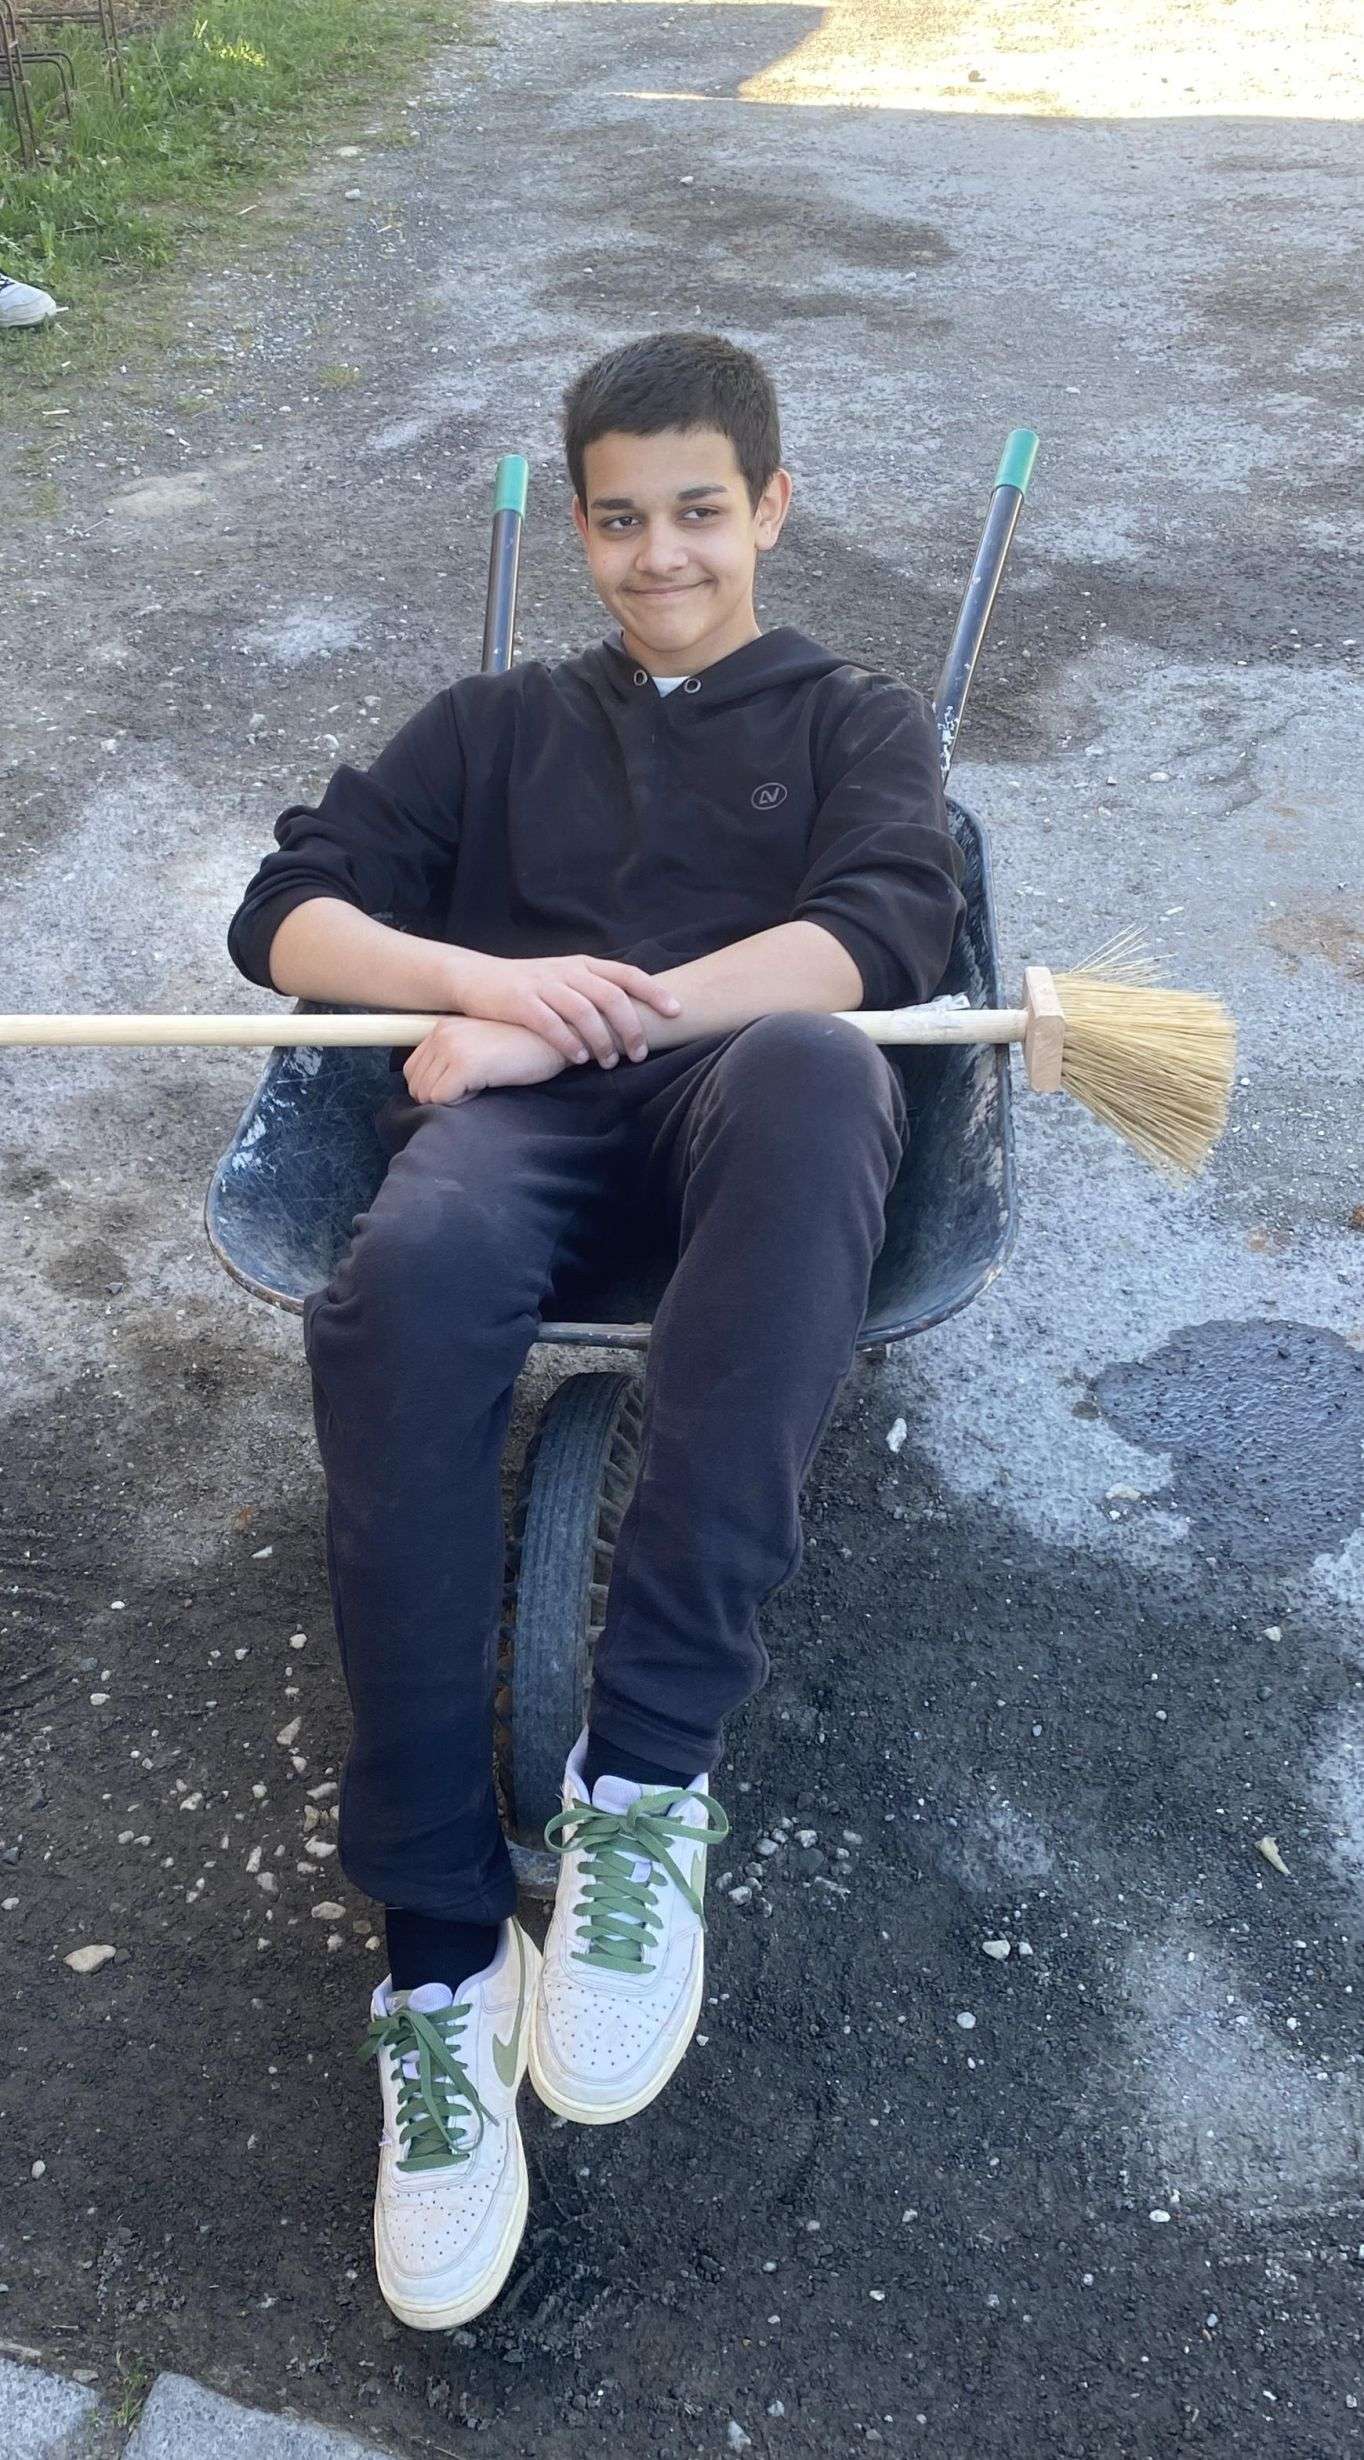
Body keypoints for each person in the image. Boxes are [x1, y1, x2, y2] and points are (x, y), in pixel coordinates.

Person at [226, 330, 966, 2333]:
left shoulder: (852, 721)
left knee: (821, 1061)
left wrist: (592, 1019)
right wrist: (486, 987)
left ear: (771, 508)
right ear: (576, 525)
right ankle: (442, 1953)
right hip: (514, 1135)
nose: (662, 557)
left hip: (749, 1110)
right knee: (405, 1283)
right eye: (622, 520)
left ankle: (641, 1780)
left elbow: (888, 927)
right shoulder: (492, 728)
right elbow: (286, 913)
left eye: (700, 513)